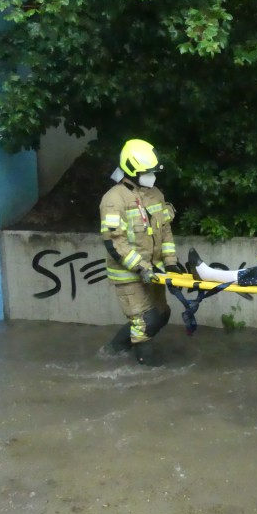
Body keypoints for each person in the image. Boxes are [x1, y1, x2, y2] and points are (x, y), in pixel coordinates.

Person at [99, 139, 182, 366]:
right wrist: (141, 267)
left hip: (154, 270)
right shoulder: (113, 200)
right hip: (129, 273)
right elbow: (116, 243)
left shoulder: (155, 194)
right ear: (132, 170)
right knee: (144, 322)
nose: (151, 177)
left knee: (161, 314)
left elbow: (165, 231)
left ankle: (113, 351)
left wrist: (171, 263)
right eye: (147, 172)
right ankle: (148, 374)